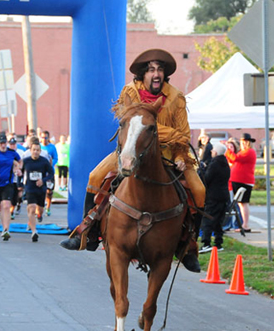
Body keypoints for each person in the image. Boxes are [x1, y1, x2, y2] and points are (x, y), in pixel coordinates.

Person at [60, 48, 206, 273]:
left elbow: (183, 135)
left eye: (159, 70)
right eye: (150, 70)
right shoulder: (130, 91)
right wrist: (154, 129)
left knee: (199, 189)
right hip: (131, 149)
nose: (156, 74)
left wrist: (177, 154)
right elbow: (129, 121)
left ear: (164, 75)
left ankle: (189, 247)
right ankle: (87, 234)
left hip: (169, 154)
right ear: (142, 75)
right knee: (95, 176)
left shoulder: (176, 97)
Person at [198, 143, 230, 253]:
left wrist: (202, 171)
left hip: (213, 196)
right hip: (224, 196)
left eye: (212, 151)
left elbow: (206, 179)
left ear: (215, 152)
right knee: (218, 221)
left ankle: (206, 243)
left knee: (208, 219)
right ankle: (218, 243)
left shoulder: (214, 164)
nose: (211, 152)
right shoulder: (225, 164)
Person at [22, 138, 54, 242]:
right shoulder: (26, 161)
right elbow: (20, 173)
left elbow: (51, 173)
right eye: (34, 149)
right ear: (30, 150)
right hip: (30, 188)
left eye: (37, 150)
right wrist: (19, 183)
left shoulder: (44, 162)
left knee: (39, 209)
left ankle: (39, 214)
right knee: (31, 208)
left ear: (40, 151)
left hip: (41, 189)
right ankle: (34, 231)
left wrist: (43, 180)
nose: (35, 152)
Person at [225, 133, 257, 233]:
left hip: (244, 181)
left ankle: (245, 224)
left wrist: (228, 150)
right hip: (238, 180)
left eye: (245, 142)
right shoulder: (243, 152)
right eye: (242, 142)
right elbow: (233, 160)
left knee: (243, 203)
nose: (243, 144)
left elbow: (235, 158)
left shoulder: (249, 152)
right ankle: (243, 224)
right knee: (240, 204)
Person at [40, 131, 57, 216]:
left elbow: (56, 158)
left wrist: (51, 164)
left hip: (49, 172)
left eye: (45, 138)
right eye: (42, 137)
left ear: (48, 138)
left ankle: (48, 207)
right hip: (41, 172)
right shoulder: (38, 147)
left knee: (49, 191)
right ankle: (40, 207)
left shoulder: (52, 147)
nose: (44, 139)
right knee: (40, 190)